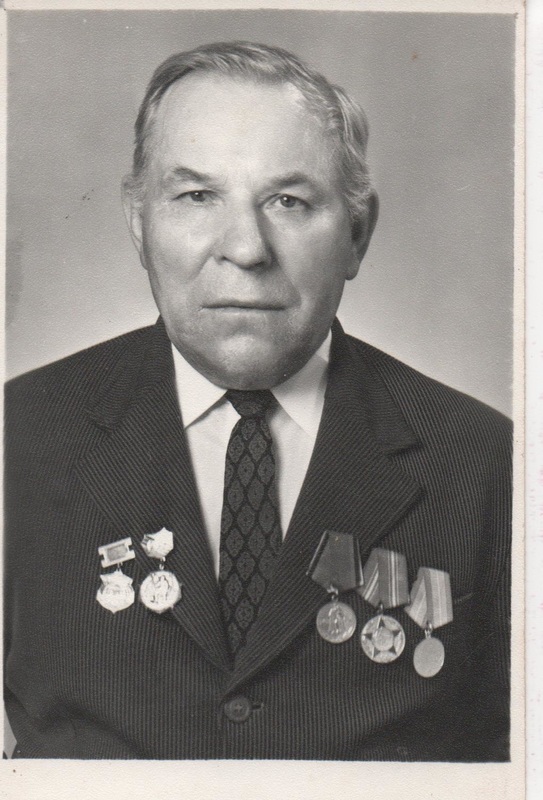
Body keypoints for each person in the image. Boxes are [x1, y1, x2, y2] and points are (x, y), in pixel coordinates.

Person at [4, 41, 511, 761]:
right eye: (196, 196)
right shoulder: (17, 437)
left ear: (357, 234)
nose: (245, 248)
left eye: (288, 201)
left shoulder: (490, 465)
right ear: (138, 223)